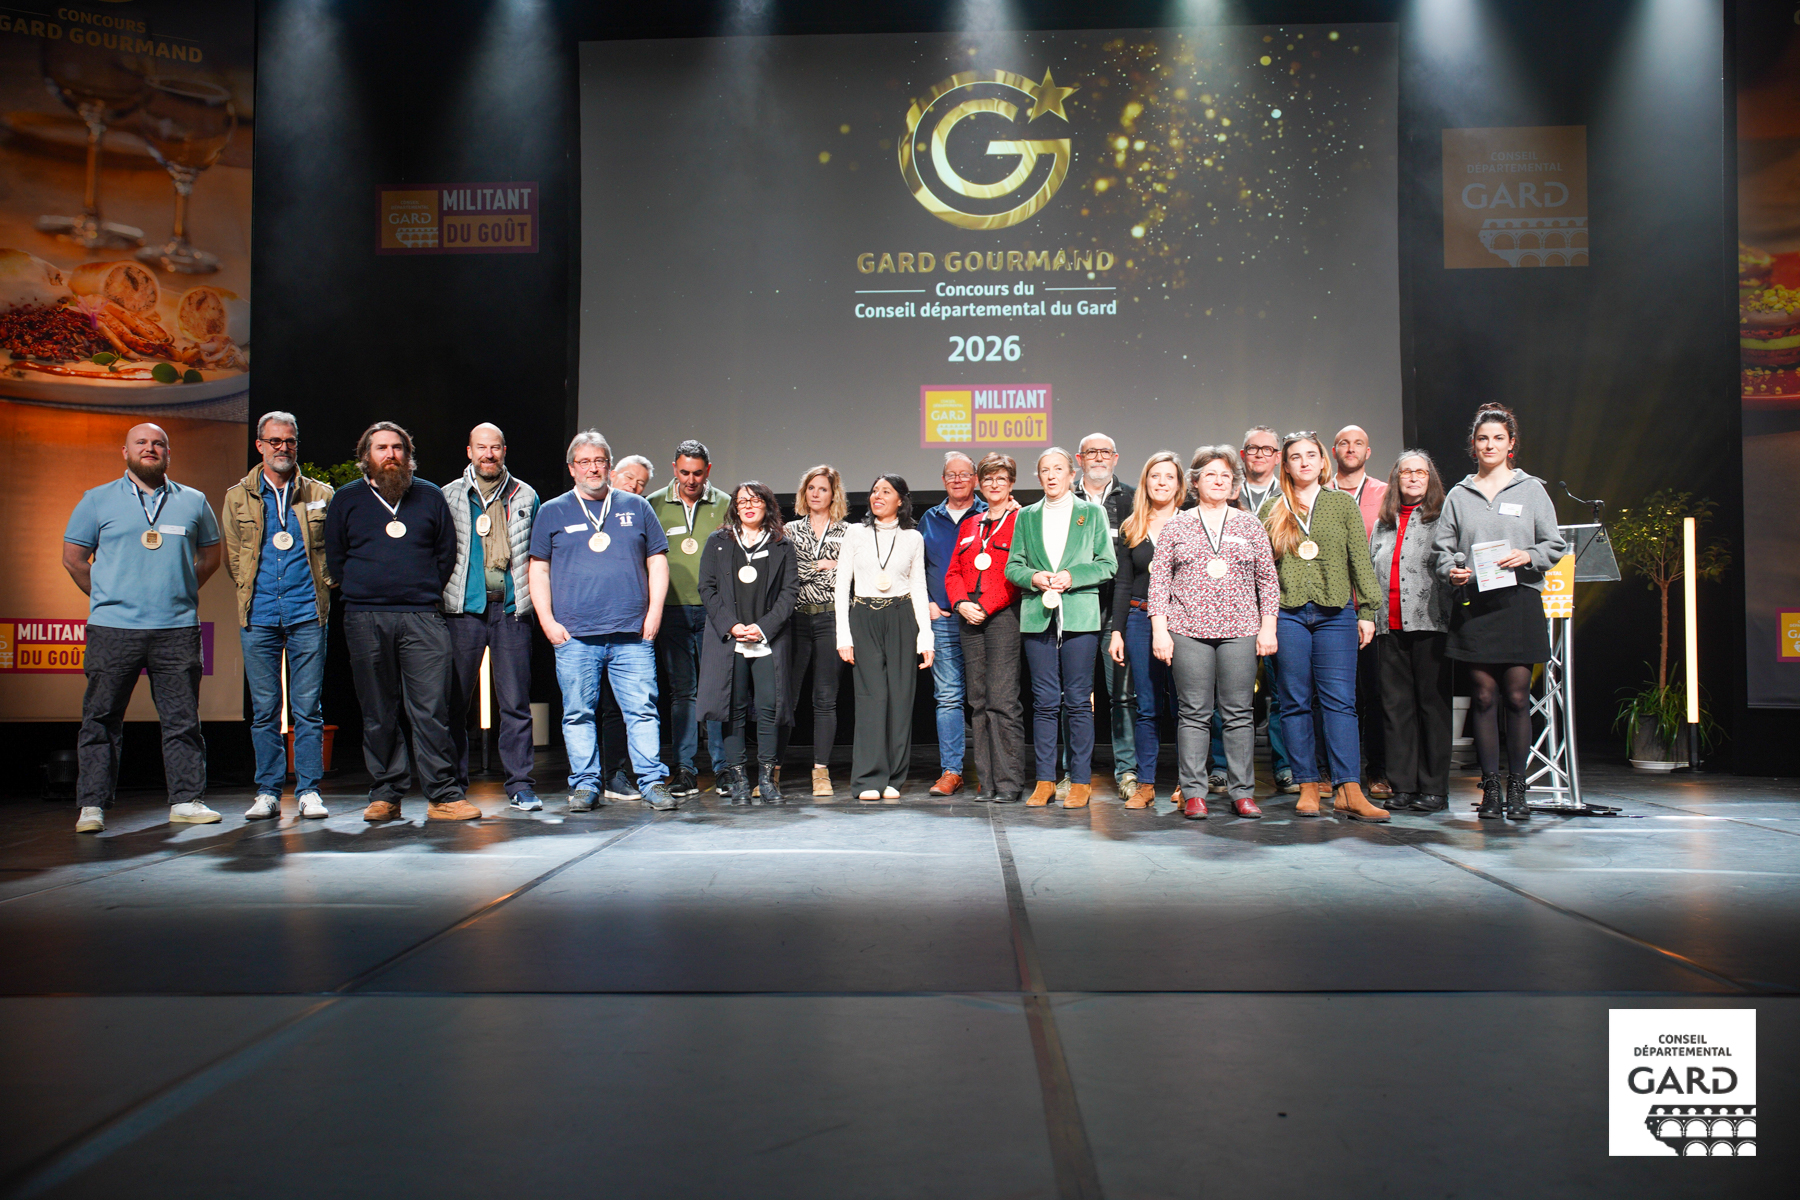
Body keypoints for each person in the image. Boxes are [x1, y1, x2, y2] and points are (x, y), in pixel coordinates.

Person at [63, 423, 223, 833]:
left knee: (182, 721)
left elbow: (210, 557)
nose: (150, 448)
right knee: (100, 719)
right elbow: (74, 559)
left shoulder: (194, 500)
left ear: (168, 453)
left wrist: (179, 591)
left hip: (176, 629)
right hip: (113, 629)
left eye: (158, 444)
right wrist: (107, 596)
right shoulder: (96, 499)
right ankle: (92, 806)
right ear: (125, 452)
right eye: (141, 443)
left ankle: (186, 800)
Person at [325, 422, 477, 822]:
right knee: (378, 710)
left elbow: (447, 552)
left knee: (432, 709)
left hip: (422, 616)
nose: (390, 454)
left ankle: (444, 795)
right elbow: (335, 556)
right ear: (366, 456)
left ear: (408, 455)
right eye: (381, 448)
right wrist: (363, 587)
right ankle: (386, 795)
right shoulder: (347, 498)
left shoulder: (429, 495)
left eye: (397, 448)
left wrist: (421, 590)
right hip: (365, 616)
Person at [529, 430, 677, 812]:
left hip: (632, 633)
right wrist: (547, 621)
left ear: (609, 467)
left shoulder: (636, 506)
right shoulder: (552, 511)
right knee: (578, 714)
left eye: (599, 461)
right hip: (575, 635)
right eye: (584, 462)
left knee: (642, 711)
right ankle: (584, 785)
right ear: (571, 468)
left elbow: (657, 561)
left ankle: (652, 782)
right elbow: (538, 569)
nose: (592, 468)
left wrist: (654, 613)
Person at [1436, 405, 1567, 821]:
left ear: (1511, 444)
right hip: (1475, 603)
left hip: (1518, 601)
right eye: (1482, 439)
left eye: (1498, 438)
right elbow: (1442, 550)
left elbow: (1554, 544)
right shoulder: (1459, 495)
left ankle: (1518, 787)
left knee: (1516, 696)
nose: (1489, 445)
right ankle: (1490, 786)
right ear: (1473, 446)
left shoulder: (1532, 490)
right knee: (1483, 697)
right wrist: (1452, 571)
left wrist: (1527, 556)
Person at [1258, 431, 1388, 821]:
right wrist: (1263, 621)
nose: (1304, 462)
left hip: (1336, 614)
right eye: (1296, 457)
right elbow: (1262, 571)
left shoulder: (1341, 503)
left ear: (1322, 461)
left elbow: (1359, 558)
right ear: (1286, 465)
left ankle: (1350, 789)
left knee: (1341, 702)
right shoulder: (1273, 508)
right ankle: (1309, 786)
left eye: (1311, 455)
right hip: (1288, 614)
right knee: (1295, 701)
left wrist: (1367, 611)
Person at [1150, 446, 1281, 819]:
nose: (1219, 481)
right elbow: (1159, 583)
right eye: (1211, 474)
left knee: (1239, 713)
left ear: (1234, 484)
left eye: (1226, 475)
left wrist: (1268, 627)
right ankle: (1194, 792)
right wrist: (1160, 631)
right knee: (1194, 713)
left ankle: (1243, 793)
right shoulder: (1177, 525)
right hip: (1187, 630)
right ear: (1195, 482)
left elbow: (1267, 581)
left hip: (1241, 630)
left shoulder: (1250, 525)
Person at [221, 411, 333, 822]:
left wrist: (325, 582)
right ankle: (267, 791)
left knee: (308, 708)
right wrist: (253, 589)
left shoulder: (321, 493)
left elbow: (333, 549)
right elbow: (234, 556)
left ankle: (309, 791)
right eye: (274, 441)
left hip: (308, 612)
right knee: (266, 709)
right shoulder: (237, 497)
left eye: (289, 441)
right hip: (260, 613)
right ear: (260, 446)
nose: (282, 448)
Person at [1007, 447, 1117, 809]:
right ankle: (1045, 780)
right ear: (1038, 477)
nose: (1051, 475)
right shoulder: (1026, 516)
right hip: (1038, 615)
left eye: (1058, 469)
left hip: (1080, 616)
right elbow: (1013, 566)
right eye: (1045, 470)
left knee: (1079, 702)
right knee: (1044, 702)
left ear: (1072, 474)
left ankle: (1081, 781)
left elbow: (1107, 564)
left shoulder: (1092, 513)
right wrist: (1034, 577)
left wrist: (1072, 575)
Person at [442, 423, 542, 811]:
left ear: (504, 451)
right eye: (481, 448)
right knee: (455, 703)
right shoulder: (449, 495)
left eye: (495, 448)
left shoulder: (525, 495)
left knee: (515, 702)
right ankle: (453, 786)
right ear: (469, 451)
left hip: (511, 610)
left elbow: (539, 554)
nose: (488, 454)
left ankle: (520, 784)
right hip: (463, 611)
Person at [698, 482, 798, 804]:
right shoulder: (718, 541)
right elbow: (707, 588)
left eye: (755, 500)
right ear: (735, 507)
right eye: (742, 501)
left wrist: (763, 627)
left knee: (770, 707)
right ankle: (739, 780)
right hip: (730, 637)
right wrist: (732, 625)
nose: (749, 506)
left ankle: (767, 780)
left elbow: (789, 592)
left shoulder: (782, 544)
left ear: (767, 505)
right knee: (733, 708)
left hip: (769, 638)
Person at [834, 475, 933, 801]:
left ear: (900, 500)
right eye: (874, 490)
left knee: (901, 699)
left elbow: (919, 586)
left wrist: (926, 637)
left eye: (886, 491)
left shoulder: (913, 538)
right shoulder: (855, 532)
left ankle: (894, 778)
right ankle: (867, 779)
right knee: (871, 699)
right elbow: (841, 586)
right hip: (864, 615)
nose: (877, 496)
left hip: (902, 616)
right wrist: (843, 635)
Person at [1371, 451, 1453, 814]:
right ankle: (1402, 785)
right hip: (1388, 626)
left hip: (1430, 623)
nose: (1414, 477)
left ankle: (1434, 788)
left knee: (1432, 707)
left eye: (1421, 472)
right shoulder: (1383, 524)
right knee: (1396, 708)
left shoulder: (1443, 519)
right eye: (1407, 472)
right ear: (1397, 479)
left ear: (1430, 479)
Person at [647, 439, 729, 797]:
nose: (691, 480)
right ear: (674, 469)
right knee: (683, 692)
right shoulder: (652, 504)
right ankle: (684, 769)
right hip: (672, 609)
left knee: (717, 690)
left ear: (708, 470)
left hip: (715, 612)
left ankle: (724, 768)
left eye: (697, 473)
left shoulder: (726, 504)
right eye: (684, 473)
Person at [1108, 452, 1187, 809]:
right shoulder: (1133, 526)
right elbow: (1123, 584)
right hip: (1140, 621)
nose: (1161, 483)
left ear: (1179, 484)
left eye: (1169, 476)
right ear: (1145, 482)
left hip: (1183, 622)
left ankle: (1188, 784)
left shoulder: (1191, 523)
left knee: (1186, 707)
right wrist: (1117, 631)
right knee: (1147, 706)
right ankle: (1146, 784)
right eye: (1155, 476)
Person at [946, 453, 1025, 804]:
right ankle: (987, 781)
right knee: (977, 702)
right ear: (980, 483)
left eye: (1001, 479)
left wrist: (986, 606)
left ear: (1011, 484)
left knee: (1002, 701)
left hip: (1002, 615)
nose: (994, 485)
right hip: (968, 614)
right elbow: (953, 572)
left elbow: (1018, 571)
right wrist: (960, 603)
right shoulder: (970, 524)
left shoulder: (1022, 520)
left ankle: (1008, 782)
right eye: (989, 479)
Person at [1229, 424, 1295, 794]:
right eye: (1252, 448)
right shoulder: (1226, 490)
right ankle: (1221, 767)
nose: (1259, 454)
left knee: (1280, 690)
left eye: (1267, 449)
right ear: (1243, 455)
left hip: (1275, 604)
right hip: (1230, 605)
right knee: (1228, 693)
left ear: (1277, 457)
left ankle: (1284, 765)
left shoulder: (1289, 496)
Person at [918, 452, 987, 797]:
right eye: (951, 475)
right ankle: (952, 771)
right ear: (943, 480)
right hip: (943, 619)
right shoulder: (929, 519)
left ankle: (990, 770)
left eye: (964, 474)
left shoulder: (991, 513)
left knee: (985, 696)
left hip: (982, 616)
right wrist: (928, 603)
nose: (958, 480)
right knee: (947, 697)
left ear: (975, 479)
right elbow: (916, 567)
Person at [1072, 432, 1137, 797]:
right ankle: (1073, 772)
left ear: (1115, 458)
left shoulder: (1133, 499)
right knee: (1074, 696)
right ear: (1079, 459)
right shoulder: (1064, 497)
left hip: (1117, 609)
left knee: (1123, 696)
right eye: (1091, 452)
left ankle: (1127, 772)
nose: (1098, 457)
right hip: (1075, 607)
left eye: (1105, 452)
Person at [1331, 424, 1393, 799]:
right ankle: (1340, 774)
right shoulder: (1321, 493)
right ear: (1334, 451)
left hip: (1373, 610)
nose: (1351, 449)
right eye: (1344, 443)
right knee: (1337, 697)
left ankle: (1378, 771)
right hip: (1332, 610)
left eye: (1358, 444)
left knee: (1376, 694)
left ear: (1368, 452)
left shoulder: (1385, 495)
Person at [785, 465, 850, 797]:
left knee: (825, 699)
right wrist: (826, 566)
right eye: (811, 487)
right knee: (786, 698)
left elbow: (852, 576)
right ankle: (772, 769)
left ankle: (821, 771)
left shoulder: (848, 532)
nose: (815, 493)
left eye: (822, 488)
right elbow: (789, 574)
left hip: (831, 619)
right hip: (795, 620)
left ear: (833, 494)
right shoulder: (789, 530)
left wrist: (839, 569)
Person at [599, 451, 653, 800]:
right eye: (629, 478)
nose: (634, 486)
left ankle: (618, 774)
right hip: (585, 623)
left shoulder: (641, 514)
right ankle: (589, 778)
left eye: (641, 484)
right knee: (584, 709)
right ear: (612, 473)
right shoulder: (580, 508)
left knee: (628, 707)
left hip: (629, 623)